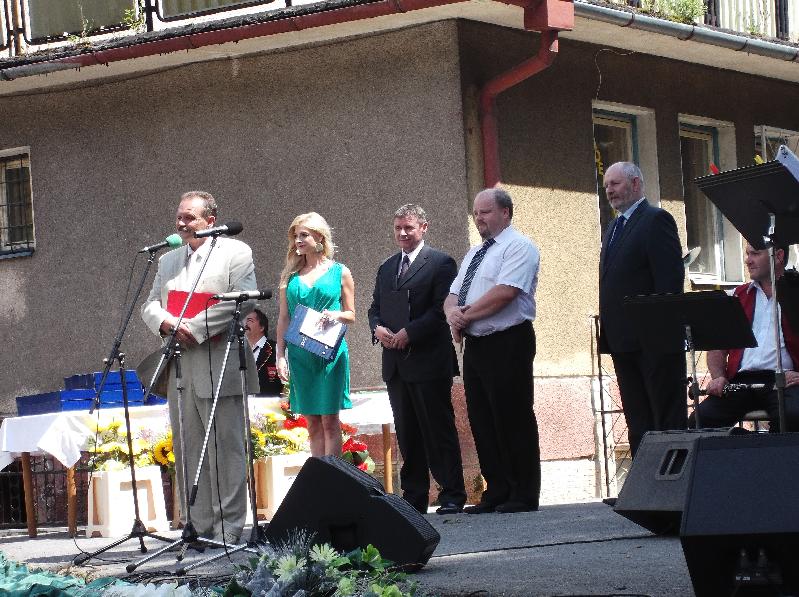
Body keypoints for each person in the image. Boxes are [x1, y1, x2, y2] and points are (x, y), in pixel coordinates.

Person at [141, 190, 258, 546]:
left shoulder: (236, 252)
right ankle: (198, 526)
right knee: (188, 447)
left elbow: (243, 298)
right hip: (180, 364)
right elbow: (151, 304)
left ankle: (228, 528)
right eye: (179, 216)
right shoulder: (168, 260)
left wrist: (194, 327)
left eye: (189, 217)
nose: (181, 223)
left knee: (225, 448)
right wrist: (166, 323)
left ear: (210, 221)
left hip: (219, 359)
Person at [444, 188, 541, 514]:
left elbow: (506, 292)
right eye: (475, 212)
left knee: (512, 416)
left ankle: (523, 493)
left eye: (485, 212)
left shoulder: (520, 247)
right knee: (482, 419)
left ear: (505, 212)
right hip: (477, 345)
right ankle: (496, 490)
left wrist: (464, 316)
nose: (478, 218)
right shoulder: (475, 253)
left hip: (508, 341)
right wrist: (452, 315)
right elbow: (453, 295)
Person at [368, 204, 466, 515]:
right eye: (398, 228)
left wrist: (409, 333)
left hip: (428, 362)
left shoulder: (440, 263)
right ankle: (414, 497)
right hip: (396, 365)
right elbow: (374, 308)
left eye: (408, 227)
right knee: (407, 433)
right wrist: (377, 328)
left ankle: (451, 494)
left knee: (437, 430)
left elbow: (441, 310)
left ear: (423, 227)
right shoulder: (387, 267)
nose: (402, 233)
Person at [598, 162, 686, 457]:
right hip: (622, 340)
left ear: (635, 183)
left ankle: (672, 477)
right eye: (606, 185)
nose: (609, 190)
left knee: (665, 418)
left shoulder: (656, 219)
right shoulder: (614, 227)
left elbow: (669, 281)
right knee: (637, 419)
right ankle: (643, 479)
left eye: (615, 183)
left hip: (654, 342)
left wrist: (659, 331)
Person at [691, 243, 799, 430]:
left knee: (793, 416)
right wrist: (718, 377)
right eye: (747, 254)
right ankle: (740, 443)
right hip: (740, 381)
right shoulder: (736, 296)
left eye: (755, 254)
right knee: (701, 419)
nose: (748, 260)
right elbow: (717, 347)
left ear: (779, 256)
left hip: (785, 380)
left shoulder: (795, 294)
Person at [276, 212, 355, 457]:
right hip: (300, 354)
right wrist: (280, 354)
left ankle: (333, 476)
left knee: (330, 421)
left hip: (329, 353)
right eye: (295, 236)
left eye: (304, 235)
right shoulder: (290, 276)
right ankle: (319, 474)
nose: (298, 241)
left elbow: (351, 314)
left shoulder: (340, 271)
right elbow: (284, 318)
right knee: (311, 422)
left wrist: (336, 315)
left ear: (319, 237)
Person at [244, 307, 283, 395]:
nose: (245, 324)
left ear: (261, 327)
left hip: (270, 402)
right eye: (243, 321)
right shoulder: (238, 350)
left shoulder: (276, 349)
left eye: (249, 320)